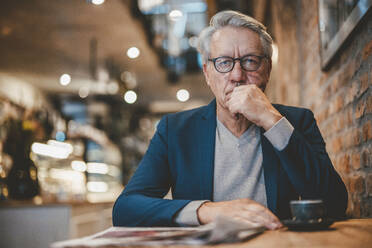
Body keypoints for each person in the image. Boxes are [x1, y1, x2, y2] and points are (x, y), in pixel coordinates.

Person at [112, 10, 347, 229]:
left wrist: (272, 121)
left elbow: (334, 204)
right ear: (207, 73)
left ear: (268, 69)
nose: (237, 76)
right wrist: (206, 211)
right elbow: (125, 209)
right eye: (224, 63)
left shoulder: (297, 121)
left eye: (250, 61)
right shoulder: (175, 130)